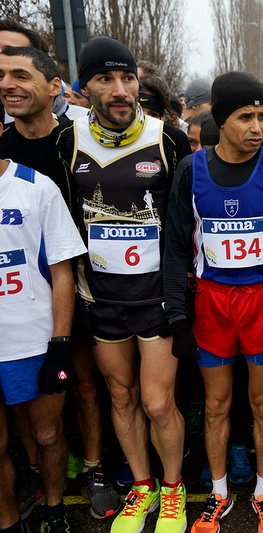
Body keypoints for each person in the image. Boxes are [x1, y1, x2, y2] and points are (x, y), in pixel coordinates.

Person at [55, 36, 191, 533]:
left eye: (128, 78)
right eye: (105, 79)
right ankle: (142, 485)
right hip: (102, 300)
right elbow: (65, 223)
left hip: (155, 299)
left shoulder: (166, 139)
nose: (120, 89)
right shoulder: (67, 142)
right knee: (121, 398)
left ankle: (173, 489)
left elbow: (184, 225)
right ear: (83, 86)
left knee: (158, 402)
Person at [164, 70, 263, 533]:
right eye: (246, 116)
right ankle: (219, 494)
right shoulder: (192, 169)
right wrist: (178, 319)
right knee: (217, 404)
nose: (257, 127)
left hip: (262, 304)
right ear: (221, 120)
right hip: (211, 303)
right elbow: (175, 248)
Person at [0, 44, 124, 522]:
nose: (9, 84)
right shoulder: (3, 149)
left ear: (54, 88)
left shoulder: (83, 137)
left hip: (92, 282)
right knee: (28, 399)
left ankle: (94, 468)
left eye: (20, 75)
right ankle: (36, 469)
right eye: (2, 76)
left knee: (88, 384)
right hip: (32, 296)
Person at [0, 156, 86, 533]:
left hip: (32, 341)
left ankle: (54, 510)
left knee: (48, 434)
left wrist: (61, 342)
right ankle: (9, 524)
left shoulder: (36, 186)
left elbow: (62, 269)